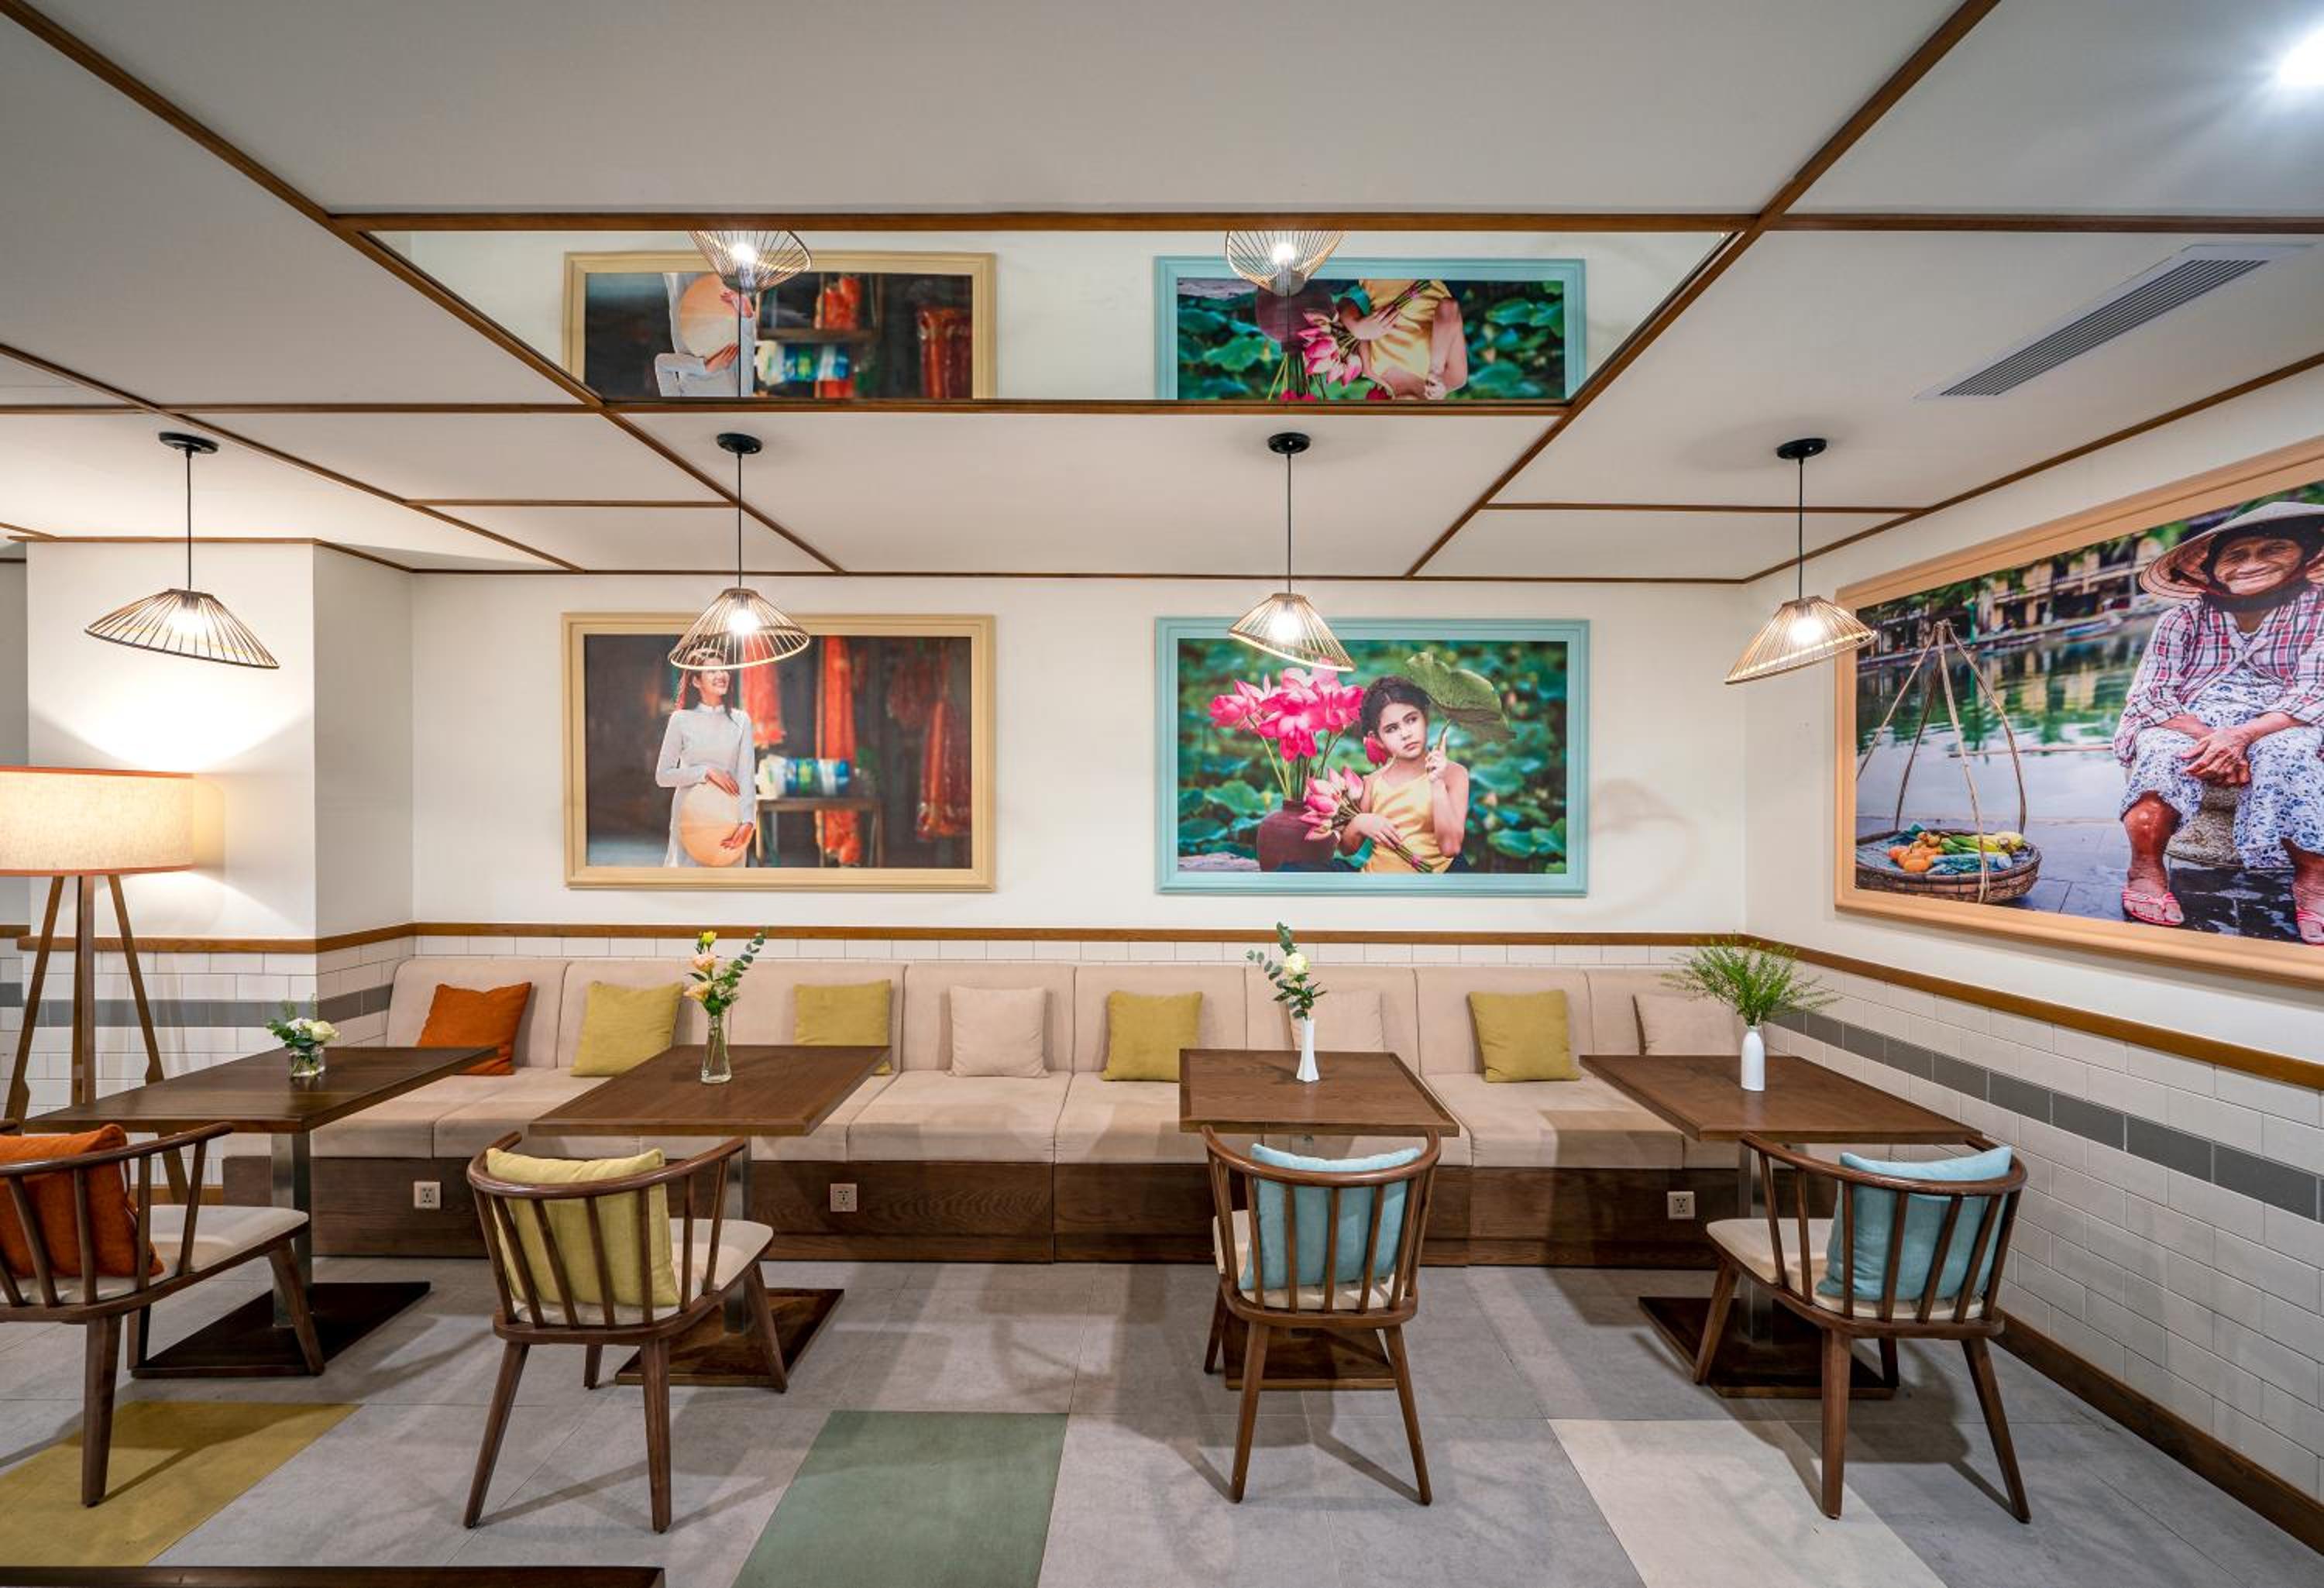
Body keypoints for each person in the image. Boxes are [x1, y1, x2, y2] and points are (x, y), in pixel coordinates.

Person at [2113, 500, 2324, 944]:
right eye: (2236, 555)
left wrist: (2244, 735)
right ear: (2212, 570)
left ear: (2304, 555)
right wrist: (2216, 740)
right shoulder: (2181, 619)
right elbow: (2152, 695)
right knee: (2161, 752)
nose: (2252, 563)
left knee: (2290, 752)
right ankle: (2144, 868)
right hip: (2190, 720)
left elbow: (2314, 692)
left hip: (2285, 720)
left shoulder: (2320, 609)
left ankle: (2314, 879)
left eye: (2273, 549)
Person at [1341, 675, 1470, 874]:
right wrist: (1360, 823)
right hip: (1375, 884)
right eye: (1392, 729)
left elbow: (1451, 848)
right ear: (1377, 739)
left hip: (1428, 885)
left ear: (1425, 718)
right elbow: (1347, 848)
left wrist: (1437, 783)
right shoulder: (1374, 782)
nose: (1406, 734)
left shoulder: (1454, 775)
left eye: (1411, 720)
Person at [655, 648, 756, 866]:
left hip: (729, 819)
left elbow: (746, 777)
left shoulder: (741, 720)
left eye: (724, 669)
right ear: (695, 681)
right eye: (711, 671)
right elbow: (663, 776)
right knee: (687, 881)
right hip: (690, 818)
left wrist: (748, 821)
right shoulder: (680, 720)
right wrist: (706, 772)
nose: (721, 675)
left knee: (728, 883)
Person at [1308, 279, 1468, 400]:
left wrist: (1357, 328)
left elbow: (1346, 303)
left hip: (1373, 274)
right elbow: (1449, 307)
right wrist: (1436, 368)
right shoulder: (1452, 379)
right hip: (1422, 271)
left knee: (1317, 280)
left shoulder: (1372, 371)